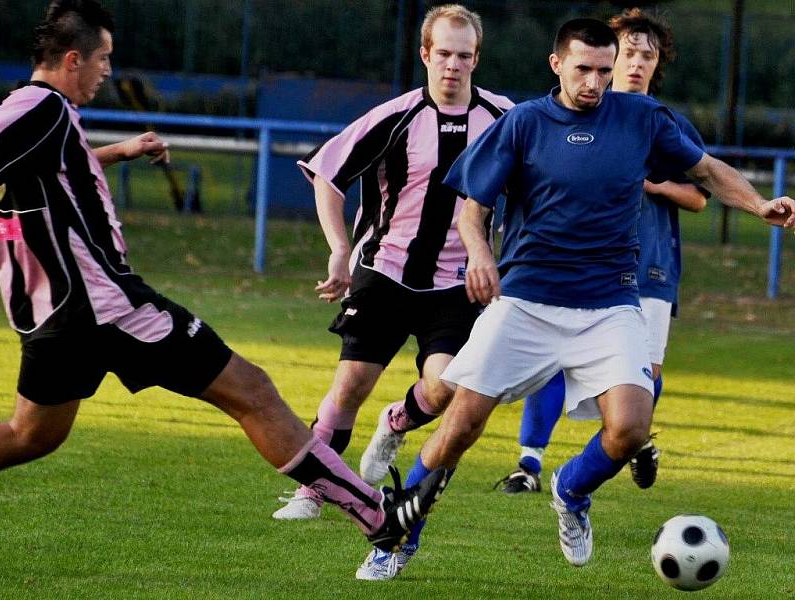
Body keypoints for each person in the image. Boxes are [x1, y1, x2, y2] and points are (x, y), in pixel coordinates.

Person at [0, 0, 447, 556]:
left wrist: (122, 151)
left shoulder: (45, 115)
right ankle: (377, 513)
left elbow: (57, 166)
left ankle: (372, 512)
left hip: (57, 313)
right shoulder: (40, 106)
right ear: (72, 59)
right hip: (103, 305)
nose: (108, 71)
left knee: (30, 435)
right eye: (104, 59)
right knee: (252, 391)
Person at [360, 17, 794, 573]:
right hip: (526, 300)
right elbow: (473, 207)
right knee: (461, 423)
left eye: (603, 72)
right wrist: (481, 254)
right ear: (556, 64)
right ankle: (397, 538)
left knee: (631, 426)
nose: (594, 82)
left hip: (609, 303)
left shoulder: (641, 118)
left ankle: (571, 490)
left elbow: (706, 171)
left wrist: (759, 205)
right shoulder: (522, 123)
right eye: (583, 69)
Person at [272, 3, 511, 530]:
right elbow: (326, 176)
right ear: (425, 54)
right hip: (385, 270)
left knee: (446, 384)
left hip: (456, 282)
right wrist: (339, 248)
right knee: (351, 383)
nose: (453, 65)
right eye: (444, 53)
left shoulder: (502, 119)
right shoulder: (395, 117)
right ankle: (314, 489)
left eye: (464, 56)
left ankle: (396, 421)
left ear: (476, 59)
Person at [495, 8, 709, 496]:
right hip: (566, 266)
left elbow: (700, 193)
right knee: (551, 361)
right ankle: (529, 462)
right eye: (628, 54)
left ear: (657, 65)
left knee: (644, 374)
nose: (635, 64)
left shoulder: (663, 123)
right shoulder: (564, 115)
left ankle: (624, 443)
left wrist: (653, 184)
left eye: (646, 57)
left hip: (647, 267)